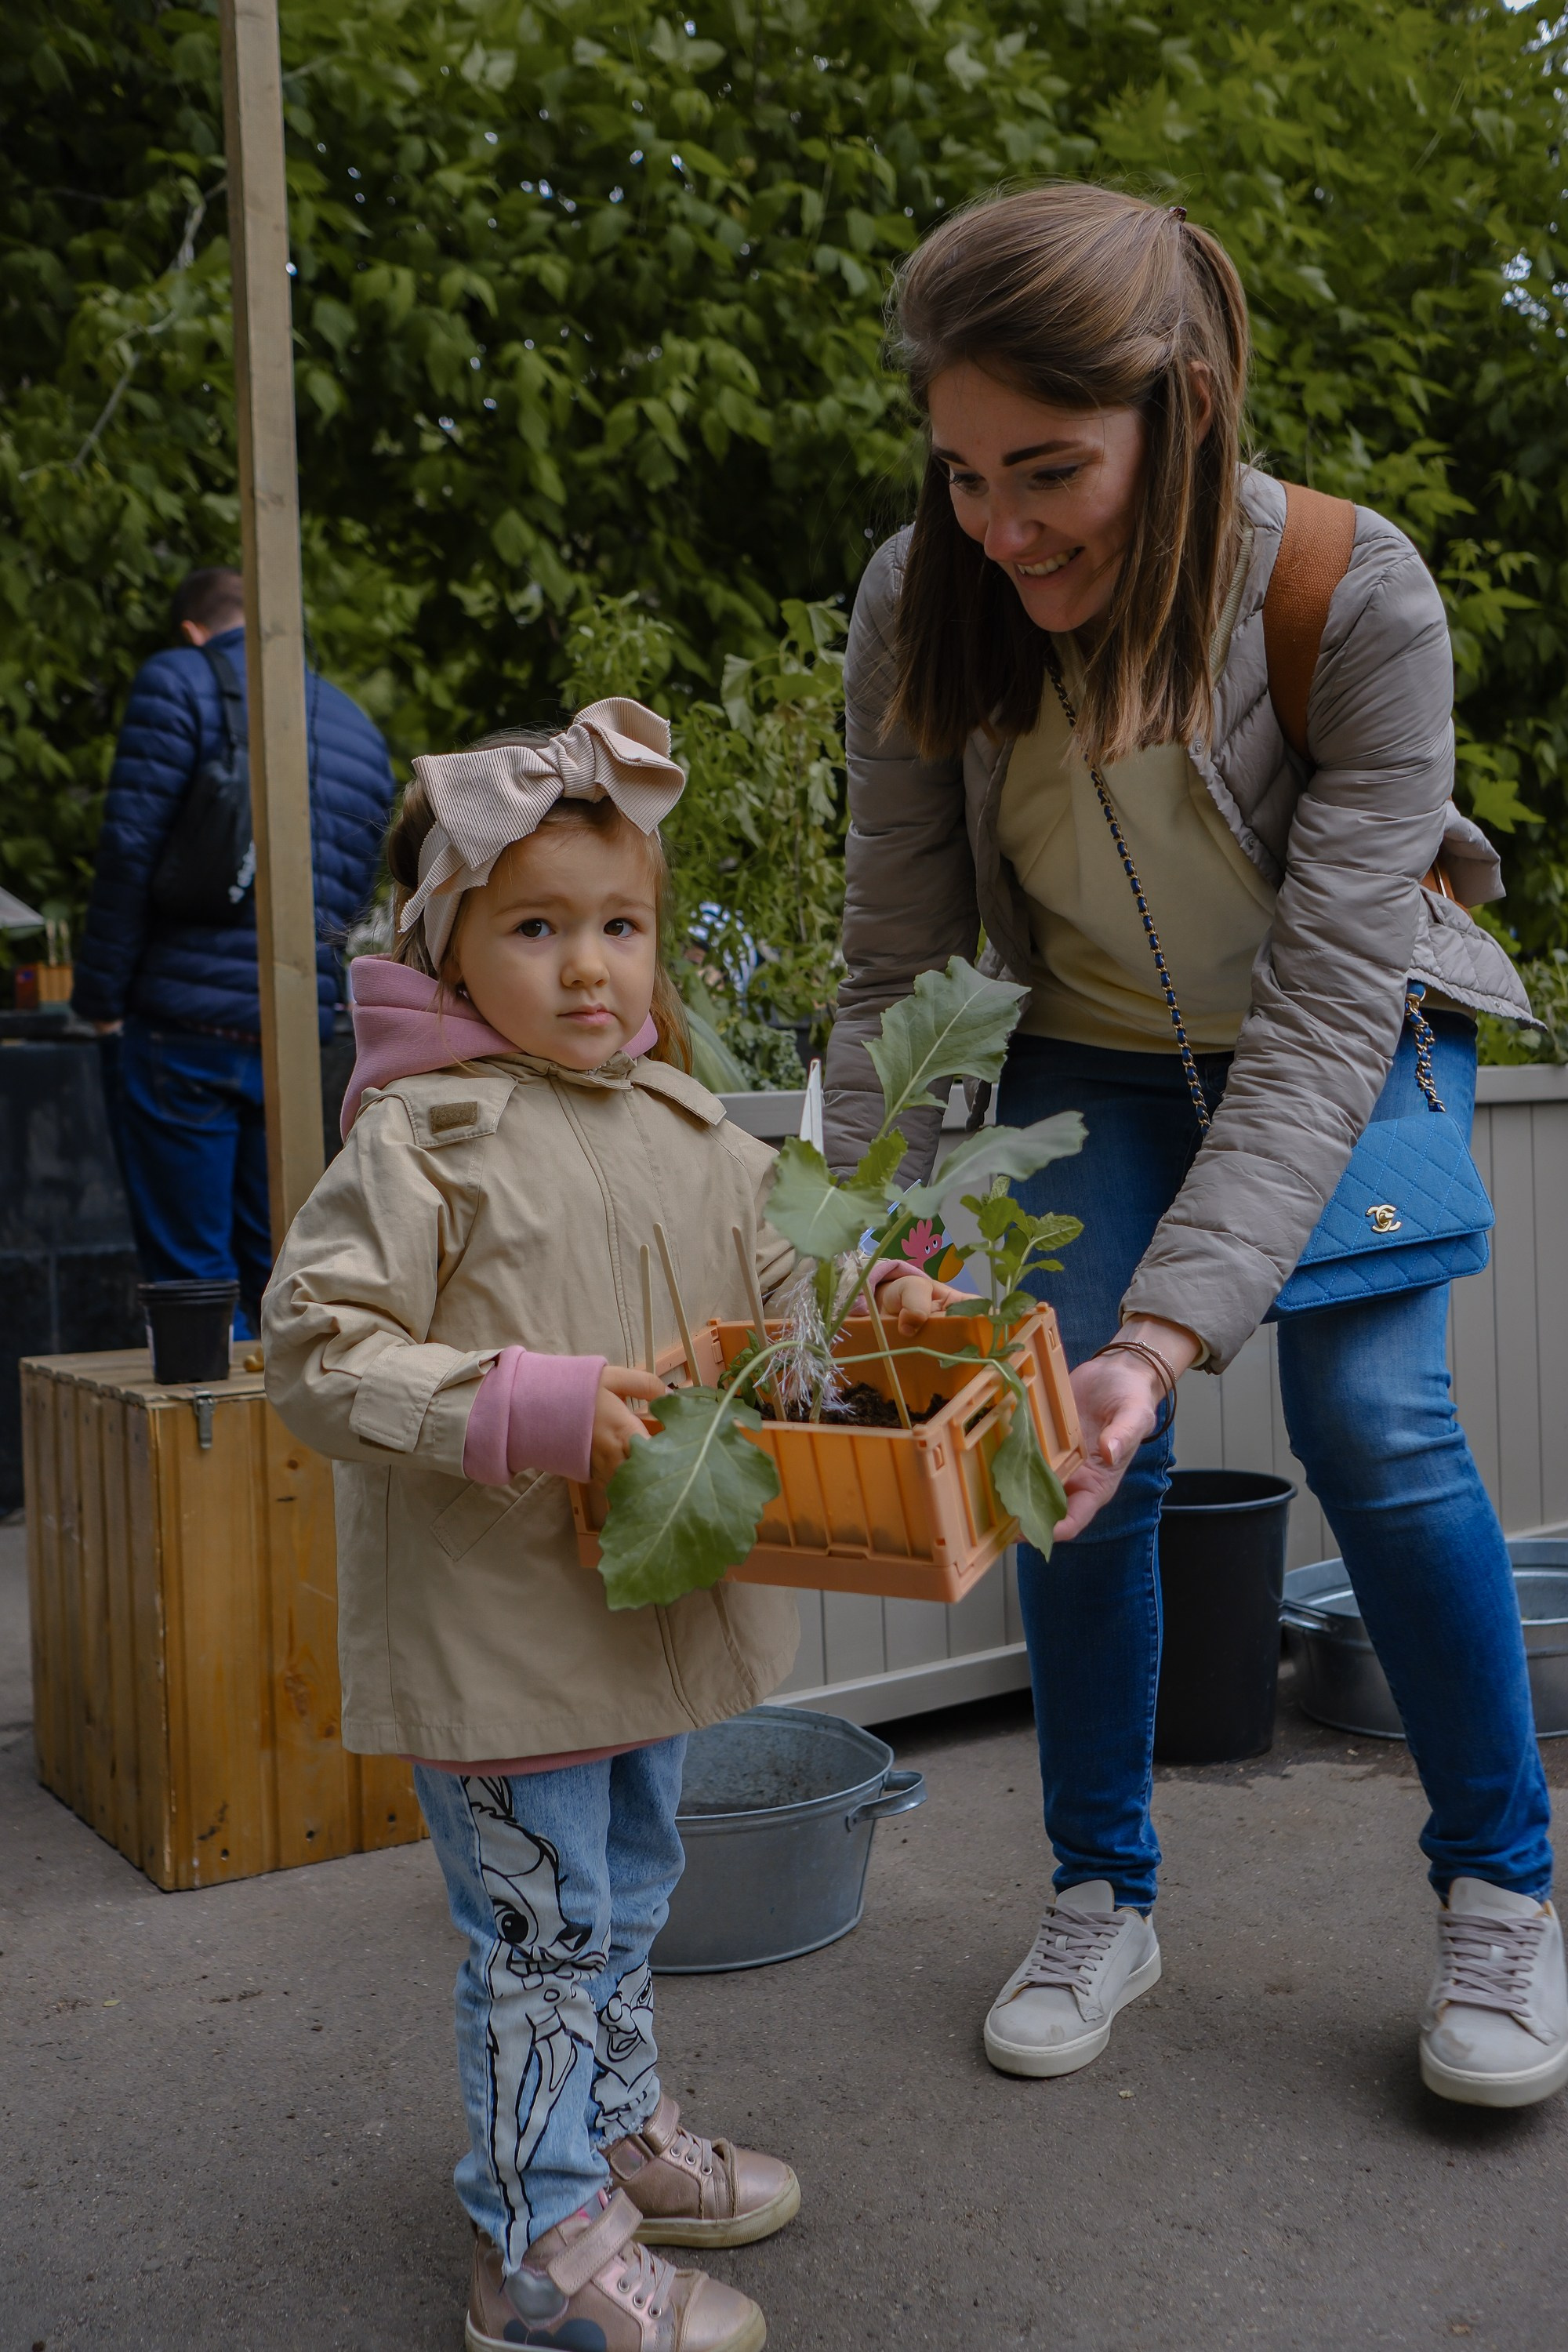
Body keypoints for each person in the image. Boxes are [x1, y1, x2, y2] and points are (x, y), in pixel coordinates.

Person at [822, 183, 1567, 2112]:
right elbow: (893, 962)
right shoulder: (923, 597)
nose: (998, 525)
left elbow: (1320, 1022)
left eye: (1045, 468)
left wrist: (1162, 1340)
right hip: (1082, 1048)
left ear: (1185, 402)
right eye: (962, 470)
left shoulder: (1352, 596)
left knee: (1374, 1422)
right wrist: (885, 1227)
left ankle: (1498, 1883)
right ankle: (1096, 1890)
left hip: (1342, 1034)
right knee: (1056, 1450)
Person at [261, 699, 956, 2350]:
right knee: (540, 1933)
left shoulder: (694, 1134)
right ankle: (537, 2250)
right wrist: (527, 1405)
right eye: (536, 928)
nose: (590, 969)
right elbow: (313, 1352)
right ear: (447, 952)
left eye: (620, 926)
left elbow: (786, 1297)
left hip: (647, 1614)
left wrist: (887, 1311)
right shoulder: (423, 1143)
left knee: (627, 1899)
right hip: (503, 1640)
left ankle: (613, 2141)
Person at [72, 565, 394, 1329]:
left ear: (193, 629)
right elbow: (347, 900)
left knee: (193, 1284)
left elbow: (127, 850)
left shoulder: (176, 681)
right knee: (282, 1273)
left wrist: (101, 1002)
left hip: (183, 1031)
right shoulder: (354, 726)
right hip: (297, 1043)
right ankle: (282, 1447)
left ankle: (207, 1436)